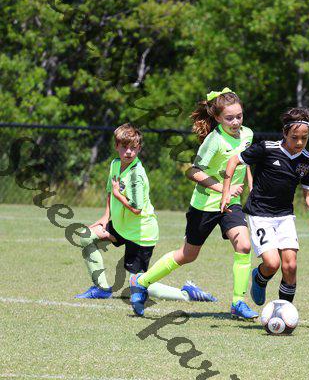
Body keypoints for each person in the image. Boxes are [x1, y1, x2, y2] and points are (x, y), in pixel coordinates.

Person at [129, 88, 258, 319]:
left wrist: (252, 186)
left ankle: (238, 303)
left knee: (244, 246)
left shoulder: (248, 134)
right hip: (205, 205)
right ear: (217, 118)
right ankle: (141, 281)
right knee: (188, 255)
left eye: (239, 116)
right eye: (229, 118)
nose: (236, 122)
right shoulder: (214, 140)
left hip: (231, 204)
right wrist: (223, 189)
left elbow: (245, 161)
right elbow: (193, 171)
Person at [76, 123, 214, 304]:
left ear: (139, 148)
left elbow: (136, 209)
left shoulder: (137, 175)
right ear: (116, 146)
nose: (128, 152)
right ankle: (101, 289)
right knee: (86, 237)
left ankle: (187, 294)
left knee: (139, 284)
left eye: (133, 148)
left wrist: (118, 194)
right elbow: (111, 190)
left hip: (141, 233)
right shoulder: (115, 164)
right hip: (120, 226)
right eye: (124, 147)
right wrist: (105, 216)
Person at [220, 107, 309, 307]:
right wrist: (226, 191)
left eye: (304, 138)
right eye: (294, 137)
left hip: (285, 216)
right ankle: (259, 277)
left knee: (291, 266)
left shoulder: (308, 161)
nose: (299, 142)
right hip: (259, 214)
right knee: (272, 264)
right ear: (285, 133)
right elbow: (234, 160)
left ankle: (283, 310)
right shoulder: (267, 149)